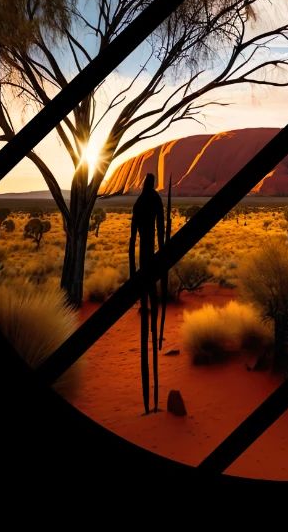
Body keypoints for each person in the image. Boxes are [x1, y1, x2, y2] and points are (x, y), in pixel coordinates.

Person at [129, 173, 164, 414]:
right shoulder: (154, 200)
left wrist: (132, 247)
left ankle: (150, 318)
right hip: (150, 250)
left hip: (143, 251)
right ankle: (153, 323)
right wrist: (163, 248)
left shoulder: (140, 201)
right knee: (151, 290)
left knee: (146, 286)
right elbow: (160, 226)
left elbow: (133, 230)